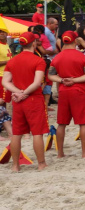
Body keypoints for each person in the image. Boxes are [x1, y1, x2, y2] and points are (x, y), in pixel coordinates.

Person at [2, 32, 50, 171]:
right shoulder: (38, 61)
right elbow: (36, 82)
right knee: (37, 133)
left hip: (17, 100)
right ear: (34, 43)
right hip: (33, 99)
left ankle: (15, 165)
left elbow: (6, 81)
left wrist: (17, 92)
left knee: (17, 133)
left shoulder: (12, 61)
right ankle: (41, 163)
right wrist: (24, 93)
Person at [48, 31, 85, 159]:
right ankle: (84, 152)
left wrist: (62, 80)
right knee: (83, 123)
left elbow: (50, 75)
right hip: (78, 91)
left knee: (61, 123)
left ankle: (60, 153)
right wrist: (74, 80)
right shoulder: (82, 57)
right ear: (75, 41)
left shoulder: (57, 57)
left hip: (63, 91)